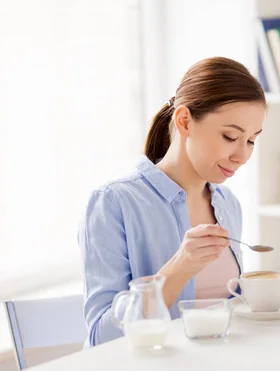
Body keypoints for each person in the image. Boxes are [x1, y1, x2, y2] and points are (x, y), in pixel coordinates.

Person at [79, 57, 266, 346]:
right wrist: (179, 267)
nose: (242, 155)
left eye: (251, 140)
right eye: (230, 136)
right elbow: (101, 339)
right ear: (184, 121)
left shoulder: (228, 205)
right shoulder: (113, 203)